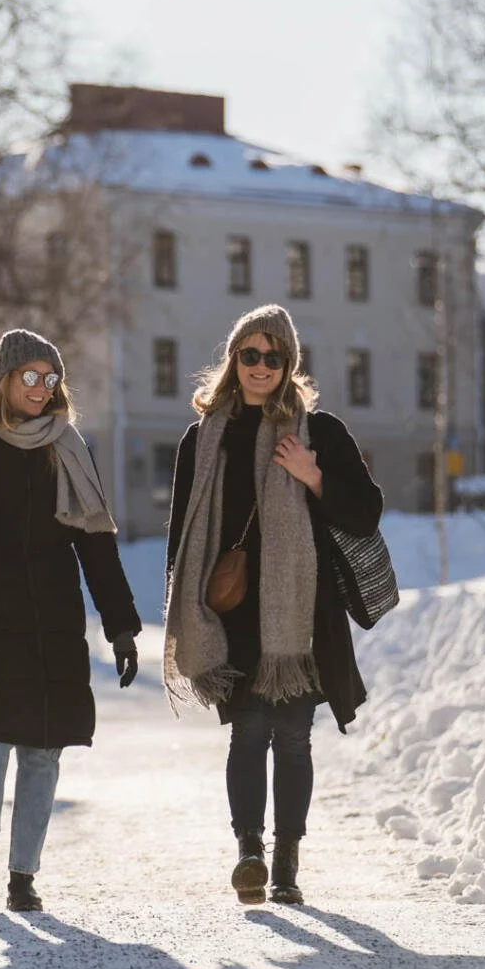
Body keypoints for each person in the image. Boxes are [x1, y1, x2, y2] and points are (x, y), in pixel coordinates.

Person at [164, 304, 382, 906]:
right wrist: (184, 611)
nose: (260, 366)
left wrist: (315, 478)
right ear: (233, 360)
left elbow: (365, 514)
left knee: (291, 737)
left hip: (301, 614)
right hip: (231, 611)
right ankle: (249, 852)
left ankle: (286, 860)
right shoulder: (204, 436)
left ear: (290, 365)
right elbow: (182, 534)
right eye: (249, 354)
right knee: (247, 733)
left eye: (273, 357)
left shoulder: (321, 433)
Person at [0, 328, 141, 912]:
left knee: (43, 752)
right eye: (30, 377)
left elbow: (96, 543)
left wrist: (120, 625)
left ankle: (23, 876)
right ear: (5, 379)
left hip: (51, 626)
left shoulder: (67, 449)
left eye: (50, 378)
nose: (42, 389)